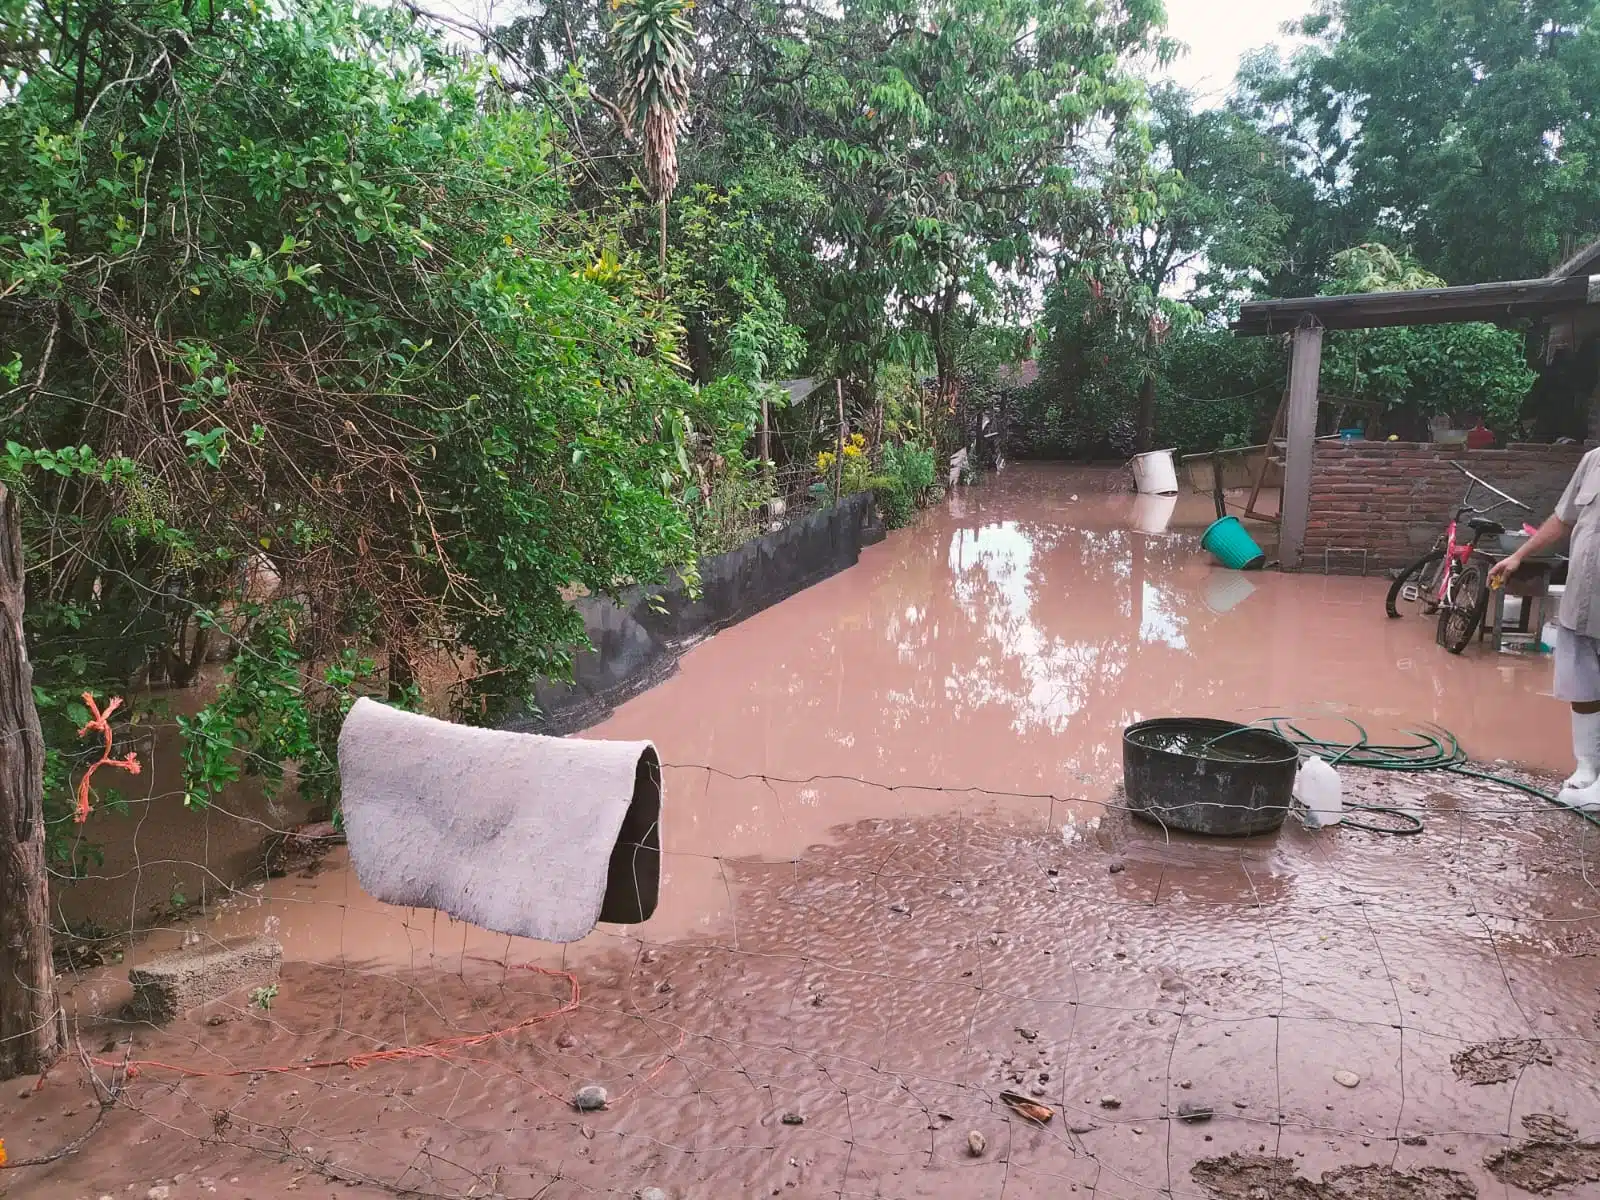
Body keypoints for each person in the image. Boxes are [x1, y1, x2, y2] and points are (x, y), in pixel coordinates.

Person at [1491, 447, 1600, 809]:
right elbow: (1563, 519)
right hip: (1582, 598)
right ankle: (1587, 766)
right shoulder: (1593, 460)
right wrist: (1519, 555)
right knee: (1580, 683)